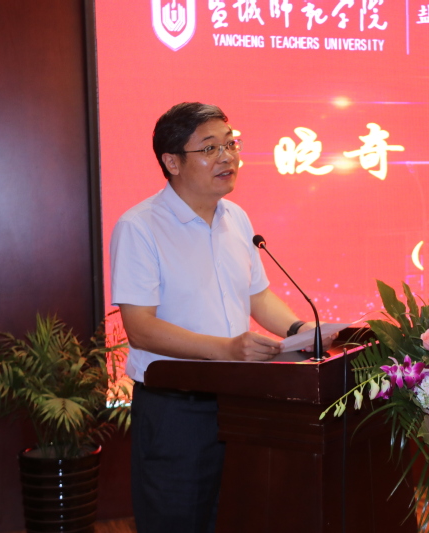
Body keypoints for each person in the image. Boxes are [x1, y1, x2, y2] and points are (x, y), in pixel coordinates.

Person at [110, 102, 323, 532]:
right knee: (177, 523)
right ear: (172, 162)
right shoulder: (140, 227)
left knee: (239, 516)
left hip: (241, 404)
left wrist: (303, 331)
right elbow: (141, 328)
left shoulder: (236, 219)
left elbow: (257, 297)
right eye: (210, 148)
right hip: (177, 410)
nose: (228, 157)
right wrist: (227, 349)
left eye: (231, 144)